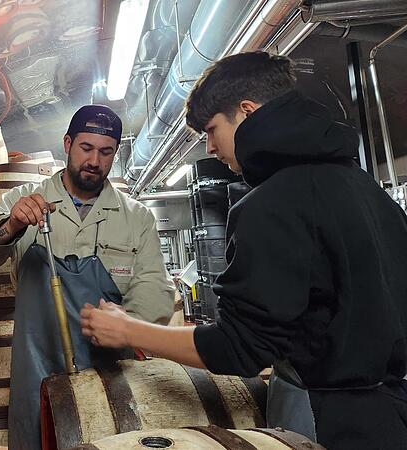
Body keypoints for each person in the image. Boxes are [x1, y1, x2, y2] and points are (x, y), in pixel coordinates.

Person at [80, 51, 407, 450]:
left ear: (247, 111)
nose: (210, 147)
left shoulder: (272, 203)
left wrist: (130, 330)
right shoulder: (367, 190)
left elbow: (240, 348)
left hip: (328, 419)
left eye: (212, 129)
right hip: (392, 409)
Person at [0, 104, 175, 450]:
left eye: (106, 152)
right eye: (86, 148)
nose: (94, 161)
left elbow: (155, 291)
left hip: (112, 373)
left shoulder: (136, 218)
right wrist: (11, 225)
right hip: (38, 371)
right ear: (67, 144)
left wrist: (127, 326)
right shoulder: (25, 199)